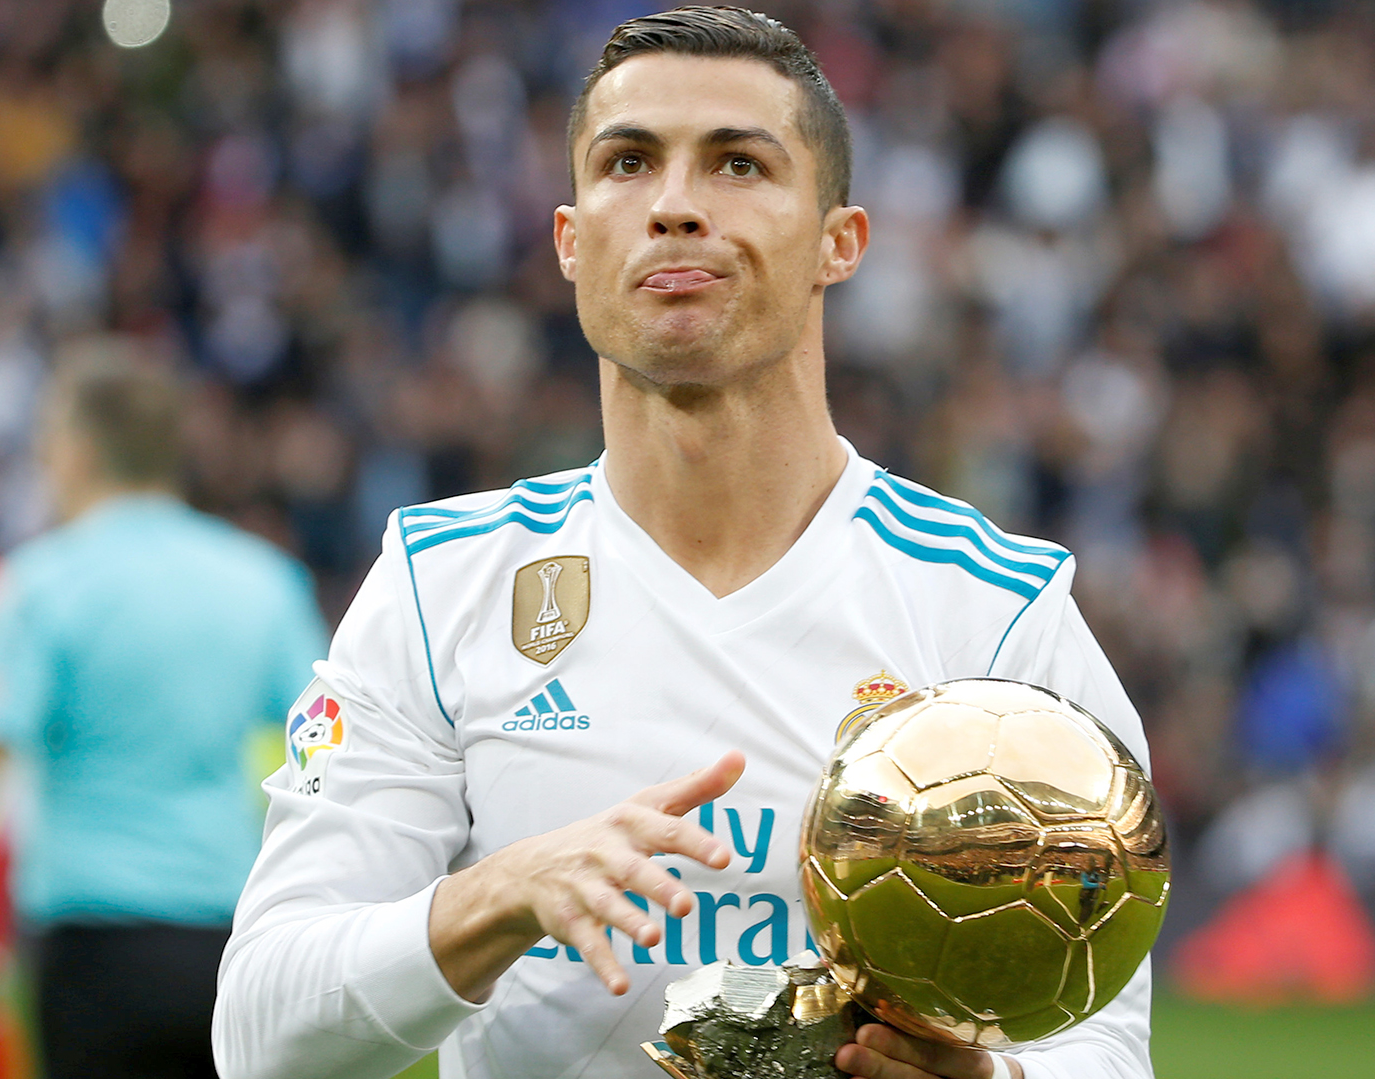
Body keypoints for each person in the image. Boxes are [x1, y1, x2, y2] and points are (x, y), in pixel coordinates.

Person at [214, 9, 1153, 1079]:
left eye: (738, 164)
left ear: (839, 242)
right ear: (571, 242)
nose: (672, 206)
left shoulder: (996, 608)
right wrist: (503, 890)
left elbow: (1108, 1039)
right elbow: (260, 1033)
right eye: (628, 162)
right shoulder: (442, 586)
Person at [0, 341, 328, 1079]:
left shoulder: (41, 584)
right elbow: (328, 748)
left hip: (89, 940)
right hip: (229, 935)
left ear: (79, 448)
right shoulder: (264, 580)